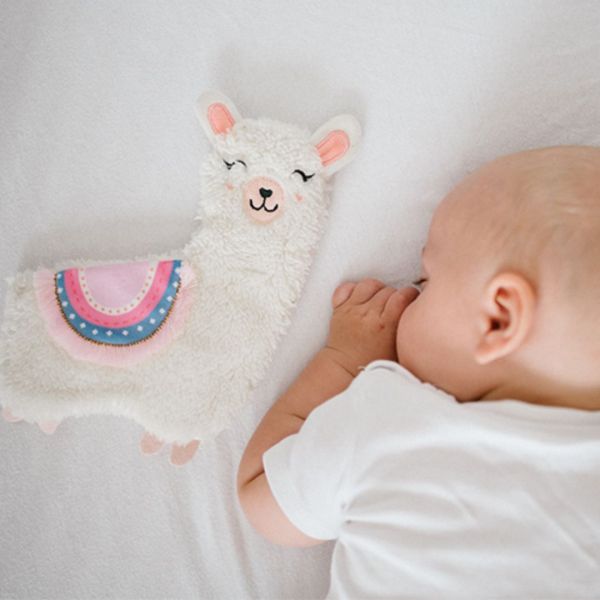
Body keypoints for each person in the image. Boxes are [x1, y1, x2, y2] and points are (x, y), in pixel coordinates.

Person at [237, 145, 600, 598]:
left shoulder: (389, 419)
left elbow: (260, 493)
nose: (407, 295)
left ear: (498, 319)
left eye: (426, 282)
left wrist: (345, 359)